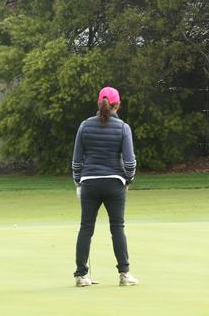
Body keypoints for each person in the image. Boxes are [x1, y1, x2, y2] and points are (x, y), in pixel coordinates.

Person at [71, 86, 138, 287]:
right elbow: (130, 162)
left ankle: (81, 275)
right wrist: (128, 180)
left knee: (86, 228)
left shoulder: (84, 126)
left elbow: (76, 161)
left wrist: (78, 182)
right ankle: (124, 274)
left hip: (89, 183)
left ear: (99, 103)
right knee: (117, 227)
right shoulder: (123, 128)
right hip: (114, 183)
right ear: (118, 104)